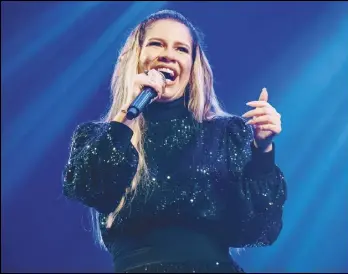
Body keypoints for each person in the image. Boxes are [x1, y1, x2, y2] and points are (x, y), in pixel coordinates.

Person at [62, 9, 287, 273]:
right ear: (135, 57)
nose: (168, 54)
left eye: (181, 49)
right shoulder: (100, 137)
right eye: (156, 43)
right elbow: (91, 188)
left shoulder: (225, 134)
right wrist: (127, 115)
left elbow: (259, 230)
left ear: (192, 67)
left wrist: (263, 150)